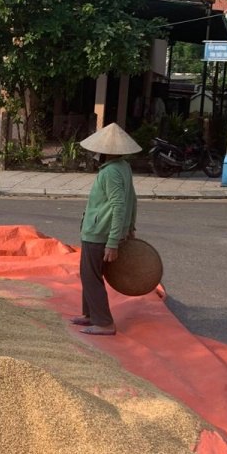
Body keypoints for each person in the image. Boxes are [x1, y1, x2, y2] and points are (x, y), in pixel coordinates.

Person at [70, 122, 140, 336]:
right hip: (103, 231)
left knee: (91, 276)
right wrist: (130, 227)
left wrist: (113, 241)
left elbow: (120, 204)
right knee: (89, 274)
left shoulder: (111, 172)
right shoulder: (123, 167)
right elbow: (133, 200)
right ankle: (90, 314)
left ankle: (104, 322)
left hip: (99, 232)